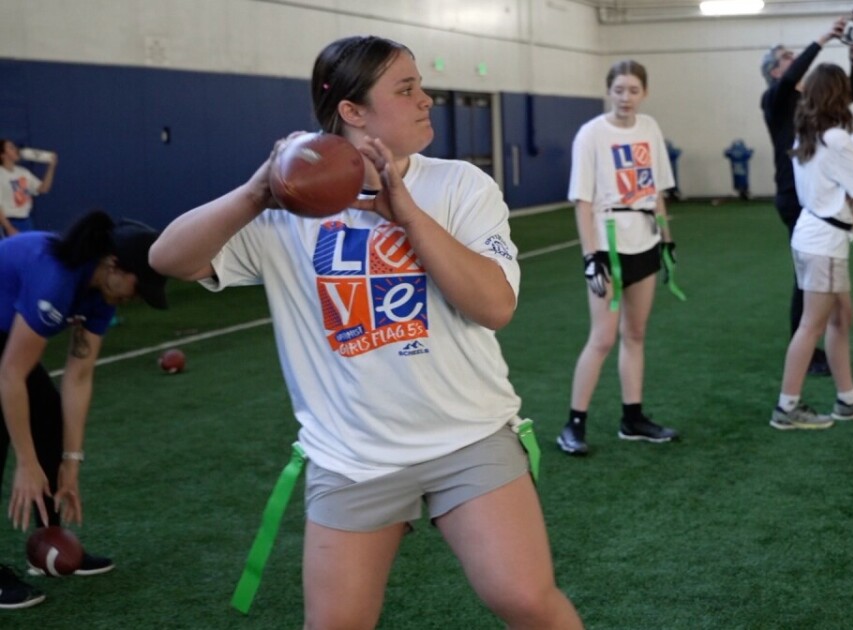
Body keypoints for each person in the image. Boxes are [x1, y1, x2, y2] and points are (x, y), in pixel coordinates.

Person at [148, 36, 582, 629]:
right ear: (352, 112)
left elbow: (495, 306)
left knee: (527, 601)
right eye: (406, 90)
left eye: (420, 86)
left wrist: (407, 213)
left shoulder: (460, 186)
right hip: (353, 456)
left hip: (468, 436)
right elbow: (168, 259)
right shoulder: (284, 210)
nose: (427, 100)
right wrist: (257, 191)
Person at [0, 210, 166, 609]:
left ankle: (48, 542)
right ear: (113, 264)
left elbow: (78, 376)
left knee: (47, 415)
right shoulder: (55, 278)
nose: (137, 294)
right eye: (137, 284)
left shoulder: (103, 294)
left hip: (4, 333)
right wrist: (25, 462)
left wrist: (70, 464)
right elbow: (10, 374)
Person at [556, 60, 679, 456]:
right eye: (619, 89)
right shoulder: (590, 134)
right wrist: (591, 256)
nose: (626, 97)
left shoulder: (650, 128)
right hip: (608, 245)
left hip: (644, 241)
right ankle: (573, 424)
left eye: (633, 90)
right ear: (609, 90)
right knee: (603, 337)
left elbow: (657, 190)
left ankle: (633, 418)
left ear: (644, 92)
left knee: (636, 333)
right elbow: (583, 201)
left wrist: (667, 240)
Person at [770, 63, 853, 431]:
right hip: (823, 239)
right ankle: (787, 407)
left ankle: (848, 399)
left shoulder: (806, 133)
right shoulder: (836, 137)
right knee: (811, 326)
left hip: (816, 235)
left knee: (841, 318)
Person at [761, 16, 853, 374]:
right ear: (775, 72)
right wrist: (822, 39)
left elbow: (852, 93)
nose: (795, 61)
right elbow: (793, 77)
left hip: (813, 197)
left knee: (813, 276)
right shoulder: (774, 98)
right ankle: (806, 347)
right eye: (787, 57)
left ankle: (812, 343)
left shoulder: (807, 102)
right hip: (798, 198)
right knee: (806, 277)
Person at [0, 140, 58, 236]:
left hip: (26, 220)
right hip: (9, 221)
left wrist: (51, 167)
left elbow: (43, 189)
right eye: (11, 148)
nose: (16, 150)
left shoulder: (23, 172)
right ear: (2, 155)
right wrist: (8, 227)